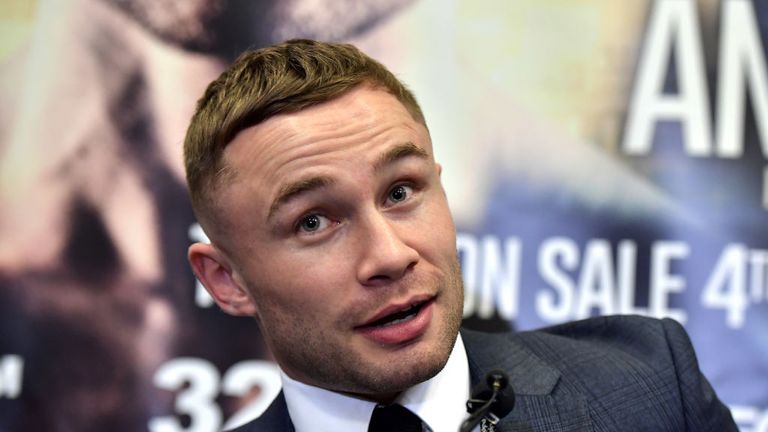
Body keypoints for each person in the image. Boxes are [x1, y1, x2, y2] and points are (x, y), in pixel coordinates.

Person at [184, 39, 737, 432]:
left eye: (401, 192)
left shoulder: (648, 387)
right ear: (227, 280)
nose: (391, 255)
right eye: (313, 222)